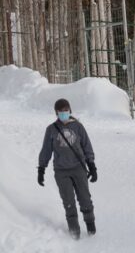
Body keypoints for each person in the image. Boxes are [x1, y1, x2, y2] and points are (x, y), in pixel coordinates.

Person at [38, 98, 98, 239]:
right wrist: (41, 169)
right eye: (61, 111)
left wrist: (92, 165)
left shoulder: (78, 127)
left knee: (85, 199)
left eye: (66, 110)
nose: (64, 113)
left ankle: (90, 225)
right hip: (61, 171)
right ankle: (74, 231)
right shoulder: (51, 129)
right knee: (68, 201)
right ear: (56, 113)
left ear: (70, 110)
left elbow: (87, 146)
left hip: (78, 168)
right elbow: (46, 150)